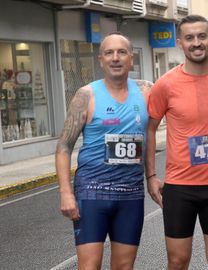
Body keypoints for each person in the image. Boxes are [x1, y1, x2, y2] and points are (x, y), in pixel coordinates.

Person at [145, 15, 208, 270]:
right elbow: (150, 130)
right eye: (189, 38)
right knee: (177, 262)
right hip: (180, 188)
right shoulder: (165, 85)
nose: (196, 43)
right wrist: (151, 175)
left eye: (201, 36)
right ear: (180, 43)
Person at [55, 32, 151, 269]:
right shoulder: (86, 95)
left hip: (130, 193)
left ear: (131, 59)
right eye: (109, 53)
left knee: (124, 266)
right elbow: (63, 147)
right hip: (92, 192)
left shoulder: (147, 90)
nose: (115, 58)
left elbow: (184, 79)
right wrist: (66, 193)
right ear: (100, 60)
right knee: (89, 266)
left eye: (121, 52)